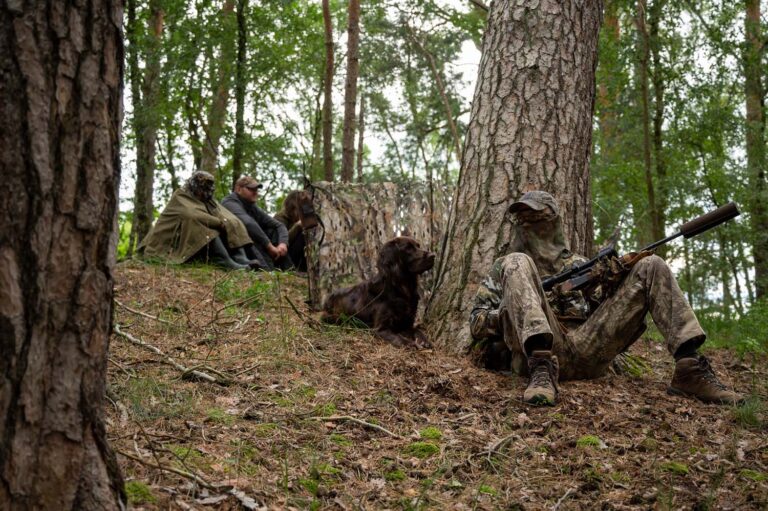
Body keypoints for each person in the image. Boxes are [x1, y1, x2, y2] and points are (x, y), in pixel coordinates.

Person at [469, 190, 744, 407]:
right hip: (537, 359)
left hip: (590, 348)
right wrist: (516, 311)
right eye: (523, 220)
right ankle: (541, 366)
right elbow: (477, 323)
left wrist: (609, 284)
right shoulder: (508, 268)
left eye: (538, 218)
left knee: (651, 264)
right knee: (516, 260)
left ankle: (690, 369)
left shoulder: (580, 265)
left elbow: (610, 315)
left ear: (553, 222)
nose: (529, 225)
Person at [138, 171, 263, 270]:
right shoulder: (181, 196)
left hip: (189, 239)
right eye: (202, 189)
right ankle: (224, 261)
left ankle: (239, 257)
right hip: (168, 244)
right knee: (202, 225)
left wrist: (226, 222)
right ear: (195, 187)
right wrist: (219, 223)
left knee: (231, 220)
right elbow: (192, 214)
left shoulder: (207, 197)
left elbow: (221, 213)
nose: (204, 194)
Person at [221, 176, 293, 271]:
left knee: (273, 230)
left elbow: (279, 225)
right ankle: (266, 270)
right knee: (250, 233)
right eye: (251, 189)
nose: (255, 192)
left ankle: (289, 270)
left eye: (256, 189)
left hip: (253, 245)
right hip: (236, 248)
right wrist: (270, 246)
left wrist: (283, 244)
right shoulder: (230, 202)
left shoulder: (252, 206)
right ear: (238, 189)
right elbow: (248, 223)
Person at [273, 190, 312, 272]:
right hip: (285, 257)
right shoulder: (280, 218)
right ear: (292, 208)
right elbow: (280, 243)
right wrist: (297, 226)